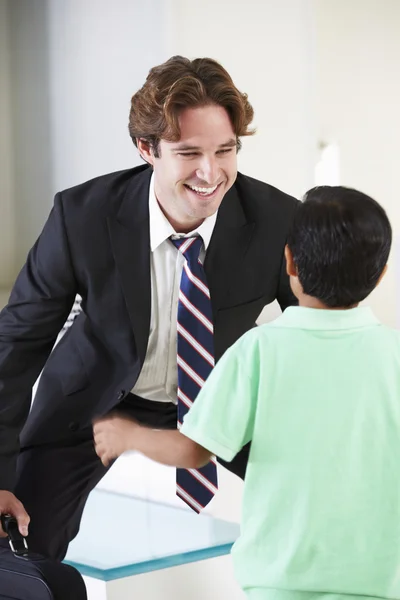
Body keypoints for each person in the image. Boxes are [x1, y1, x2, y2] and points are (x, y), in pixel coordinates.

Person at [0, 55, 298, 560]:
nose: (211, 173)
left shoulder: (279, 221)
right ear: (147, 149)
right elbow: (17, 344)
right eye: (189, 153)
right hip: (96, 397)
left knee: (317, 492)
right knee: (22, 540)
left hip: (217, 395)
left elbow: (317, 332)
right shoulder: (82, 215)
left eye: (226, 150)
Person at [94, 186, 398, 600]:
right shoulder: (393, 355)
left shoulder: (258, 351)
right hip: (381, 580)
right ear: (381, 274)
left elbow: (194, 450)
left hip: (279, 580)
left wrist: (130, 435)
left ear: (289, 260)